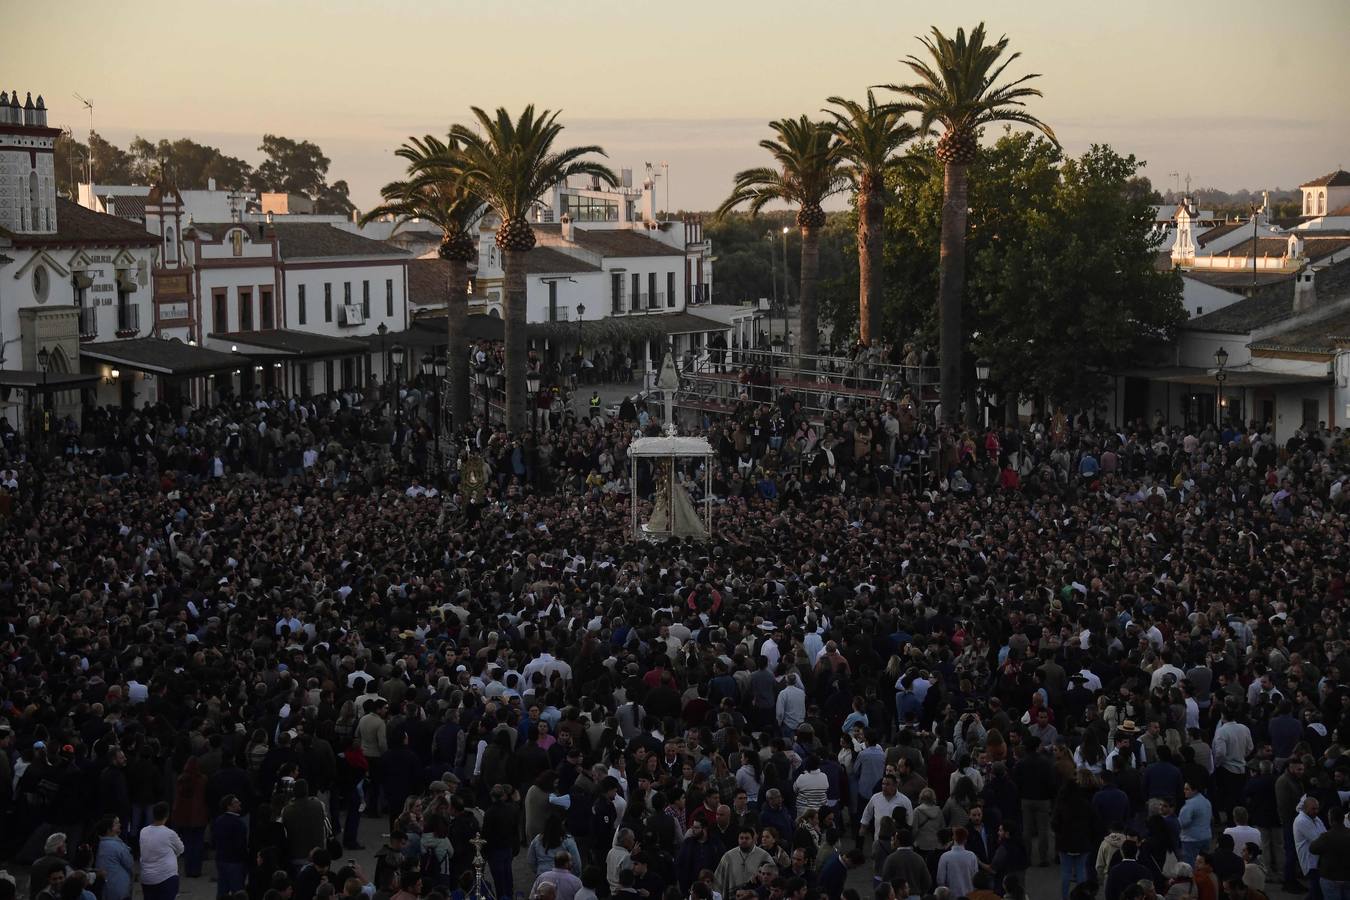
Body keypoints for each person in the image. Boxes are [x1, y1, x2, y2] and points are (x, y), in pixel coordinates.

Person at [140, 802, 184, 900]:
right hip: (166, 876)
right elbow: (181, 849)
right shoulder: (169, 833)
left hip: (147, 877)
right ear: (167, 815)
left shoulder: (143, 831)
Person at [211, 795, 249, 898]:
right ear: (229, 806)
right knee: (238, 891)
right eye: (236, 802)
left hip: (221, 859)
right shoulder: (239, 823)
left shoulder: (219, 820)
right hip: (235, 861)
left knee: (222, 890)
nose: (239, 803)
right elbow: (241, 845)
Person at [93, 817, 134, 900]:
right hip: (119, 889)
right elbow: (129, 863)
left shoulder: (102, 843)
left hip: (108, 889)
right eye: (116, 824)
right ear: (109, 830)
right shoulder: (116, 845)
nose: (119, 825)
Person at [936, 826, 979, 897]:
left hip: (951, 896)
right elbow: (975, 878)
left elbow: (940, 880)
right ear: (965, 840)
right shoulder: (972, 856)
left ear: (953, 838)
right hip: (969, 895)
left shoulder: (945, 856)